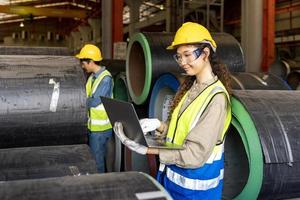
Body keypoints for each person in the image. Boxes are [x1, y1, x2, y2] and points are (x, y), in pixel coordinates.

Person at [113, 22, 232, 200]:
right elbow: (182, 132)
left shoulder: (216, 99)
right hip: (171, 181)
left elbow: (195, 154)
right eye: (178, 57)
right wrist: (159, 125)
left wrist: (148, 150)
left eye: (187, 55)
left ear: (205, 53)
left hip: (195, 191)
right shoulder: (192, 87)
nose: (182, 62)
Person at [76, 44, 113, 173]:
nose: (82, 66)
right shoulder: (92, 77)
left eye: (83, 63)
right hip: (93, 126)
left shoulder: (105, 79)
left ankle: (99, 184)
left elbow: (95, 101)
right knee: (94, 158)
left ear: (91, 62)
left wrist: (77, 104)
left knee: (97, 161)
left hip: (101, 129)